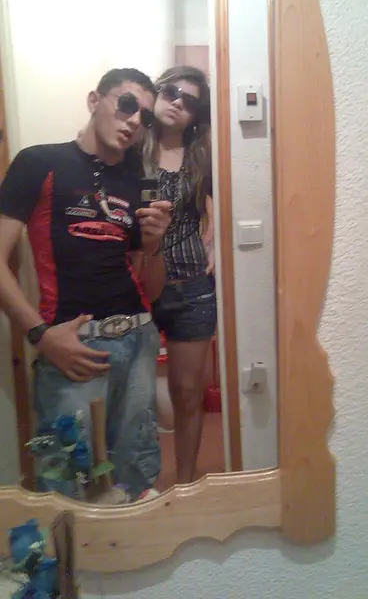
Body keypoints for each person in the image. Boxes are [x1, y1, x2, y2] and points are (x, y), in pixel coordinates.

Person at [0, 68, 172, 500]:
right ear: (95, 100)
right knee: (67, 481)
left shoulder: (136, 180)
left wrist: (154, 243)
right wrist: (40, 335)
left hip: (138, 337)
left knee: (134, 473)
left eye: (145, 116)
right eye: (126, 104)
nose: (134, 121)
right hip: (74, 344)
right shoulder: (39, 163)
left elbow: (150, 288)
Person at [142, 65, 216, 484]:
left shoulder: (203, 154)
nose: (177, 103)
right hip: (135, 287)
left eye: (189, 101)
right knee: (133, 396)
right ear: (157, 92)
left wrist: (218, 243)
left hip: (191, 287)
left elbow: (238, 199)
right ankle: (137, 489)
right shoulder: (132, 147)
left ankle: (186, 483)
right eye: (171, 92)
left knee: (187, 392)